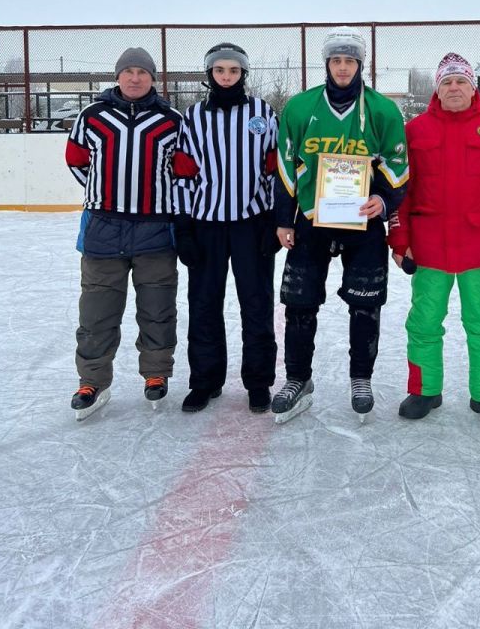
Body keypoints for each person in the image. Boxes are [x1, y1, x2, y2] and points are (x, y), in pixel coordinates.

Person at [273, 26, 408, 421]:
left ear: (360, 65)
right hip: (312, 219)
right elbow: (285, 166)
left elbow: (397, 167)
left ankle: (360, 377)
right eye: (337, 60)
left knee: (366, 303)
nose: (343, 67)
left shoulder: (382, 110)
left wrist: (383, 200)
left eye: (350, 60)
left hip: (363, 222)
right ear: (327, 64)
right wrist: (284, 219)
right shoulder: (300, 108)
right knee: (299, 301)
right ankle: (298, 378)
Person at [388, 53, 480, 426]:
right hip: (429, 246)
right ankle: (425, 389)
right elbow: (401, 190)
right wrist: (400, 239)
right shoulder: (415, 130)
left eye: (461, 81)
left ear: (472, 87)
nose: (453, 88)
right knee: (424, 322)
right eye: (447, 82)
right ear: (437, 88)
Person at [65, 47, 183, 419]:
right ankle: (92, 380)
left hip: (155, 230)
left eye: (142, 72)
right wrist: (105, 194)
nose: (135, 78)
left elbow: (183, 170)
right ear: (117, 76)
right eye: (128, 71)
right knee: (97, 311)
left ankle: (155, 374)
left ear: (153, 78)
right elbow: (76, 159)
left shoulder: (171, 120)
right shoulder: (93, 116)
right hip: (104, 228)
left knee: (157, 309)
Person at [172, 43, 278, 414]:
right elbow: (183, 173)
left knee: (257, 305)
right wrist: (183, 228)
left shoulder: (263, 113)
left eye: (234, 71)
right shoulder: (193, 117)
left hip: (251, 226)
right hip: (206, 226)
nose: (227, 77)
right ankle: (205, 381)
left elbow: (272, 171)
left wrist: (272, 221)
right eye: (220, 71)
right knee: (203, 306)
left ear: (243, 74)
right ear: (210, 75)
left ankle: (258, 383)